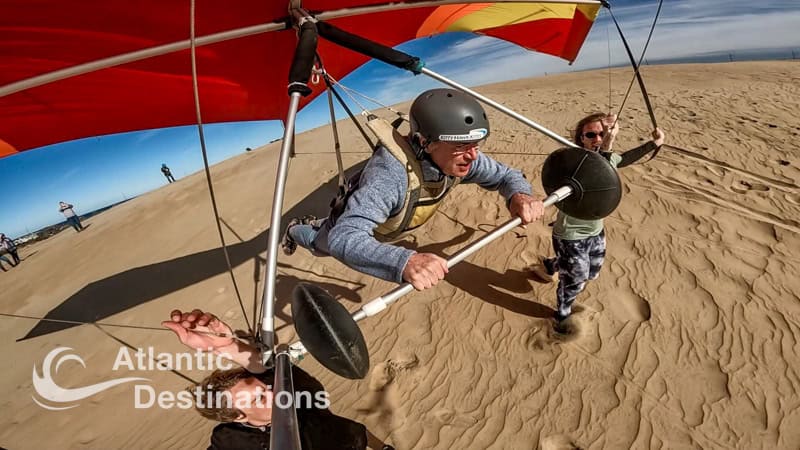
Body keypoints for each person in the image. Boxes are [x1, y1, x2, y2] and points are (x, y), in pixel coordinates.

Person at [281, 88, 545, 291]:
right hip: (353, 221)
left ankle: (315, 224)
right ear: (424, 142)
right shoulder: (390, 176)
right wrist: (403, 262)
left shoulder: (461, 158)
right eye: (461, 146)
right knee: (320, 244)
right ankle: (295, 228)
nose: (473, 156)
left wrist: (518, 195)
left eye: (478, 143)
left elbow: (507, 175)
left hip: (382, 221)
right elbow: (344, 238)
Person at [162, 309, 391, 450]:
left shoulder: (296, 392)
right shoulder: (228, 440)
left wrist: (227, 346)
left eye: (265, 389)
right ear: (240, 416)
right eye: (259, 399)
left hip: (348, 438)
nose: (274, 393)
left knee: (357, 433)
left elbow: (265, 368)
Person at [529, 113, 665, 331]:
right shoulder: (574, 162)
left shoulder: (606, 160)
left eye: (601, 134)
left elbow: (625, 158)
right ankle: (562, 314)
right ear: (581, 138)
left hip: (595, 231)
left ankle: (552, 265)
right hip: (569, 236)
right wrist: (609, 142)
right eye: (590, 134)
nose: (597, 138)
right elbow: (594, 165)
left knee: (593, 272)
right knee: (577, 279)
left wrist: (654, 143)